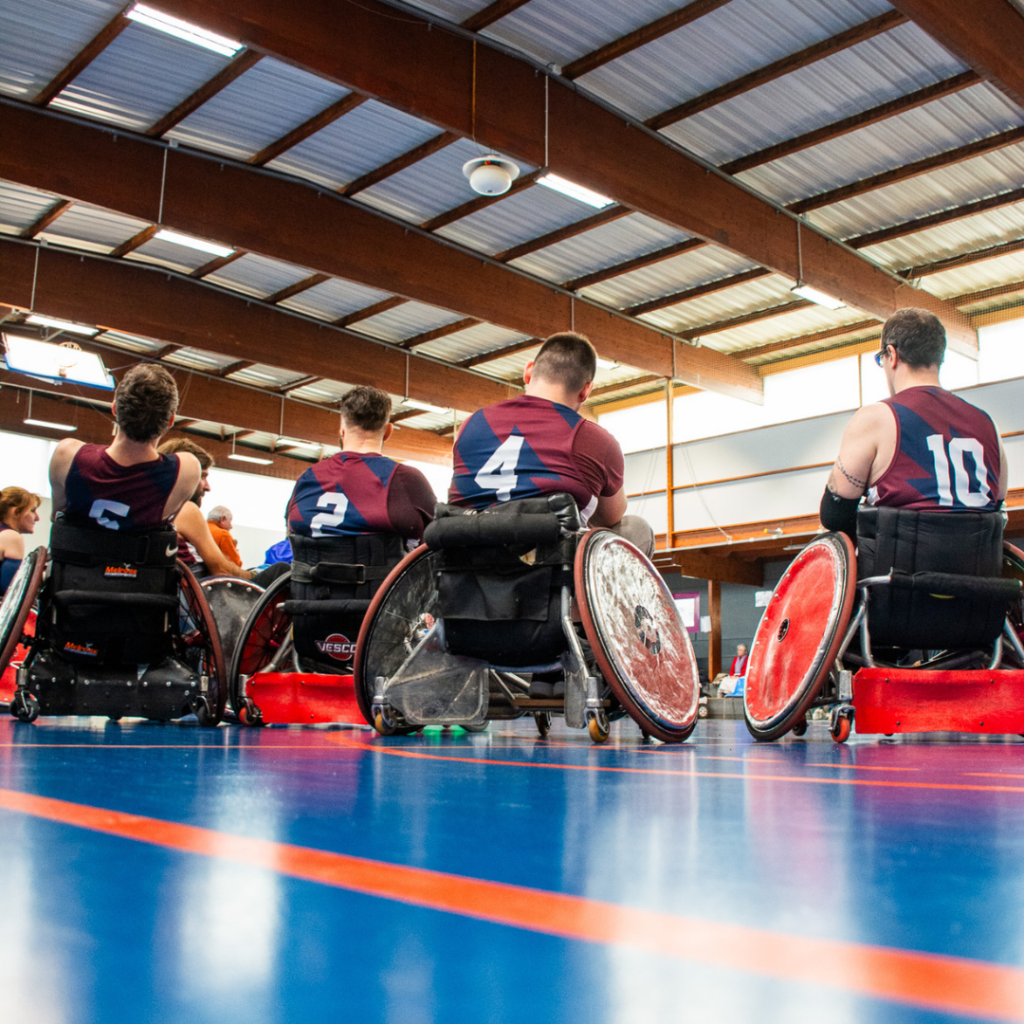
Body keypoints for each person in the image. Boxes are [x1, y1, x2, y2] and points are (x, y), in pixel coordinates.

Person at [448, 331, 655, 555]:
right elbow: (610, 517)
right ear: (586, 390)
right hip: (549, 569)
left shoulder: (470, 424)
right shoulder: (595, 439)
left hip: (467, 562)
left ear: (528, 371)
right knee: (636, 529)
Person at [820, 308, 1007, 538]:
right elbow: (997, 504)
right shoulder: (988, 424)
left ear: (892, 354)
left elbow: (834, 515)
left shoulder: (876, 418)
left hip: (899, 569)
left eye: (882, 360)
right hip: (980, 570)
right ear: (940, 357)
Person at [49, 364, 201, 532]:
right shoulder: (187, 470)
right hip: (135, 558)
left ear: (114, 408)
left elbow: (57, 515)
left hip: (73, 557)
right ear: (171, 420)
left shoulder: (67, 454)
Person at [286, 385, 436, 542]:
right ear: (388, 432)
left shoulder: (308, 478)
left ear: (342, 430)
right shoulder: (405, 478)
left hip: (311, 565)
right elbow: (438, 534)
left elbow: (290, 530)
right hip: (384, 565)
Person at [157, 438, 256, 582]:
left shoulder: (144, 509)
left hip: (159, 594)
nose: (208, 487)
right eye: (202, 476)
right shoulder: (185, 510)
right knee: (281, 570)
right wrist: (255, 575)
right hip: (191, 599)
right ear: (183, 474)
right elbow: (222, 571)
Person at [0, 487, 41, 596]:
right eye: (32, 511)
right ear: (15, 512)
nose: (37, 518)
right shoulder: (12, 537)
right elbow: (10, 591)